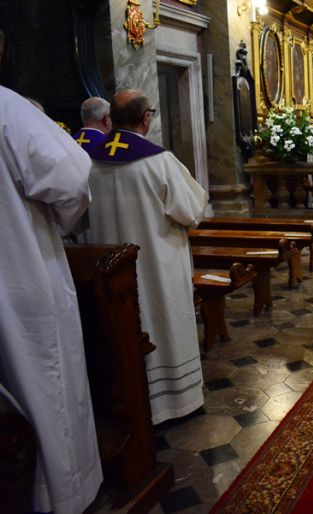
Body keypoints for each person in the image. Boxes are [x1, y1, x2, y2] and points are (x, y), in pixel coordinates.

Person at [0, 85, 102, 514]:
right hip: (19, 269)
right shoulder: (7, 106)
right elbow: (71, 176)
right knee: (43, 382)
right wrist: (61, 224)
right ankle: (60, 497)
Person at [87, 90, 208, 425]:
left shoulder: (89, 161)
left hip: (108, 274)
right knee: (163, 325)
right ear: (145, 118)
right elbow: (191, 211)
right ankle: (175, 403)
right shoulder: (159, 161)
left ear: (111, 119)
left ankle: (129, 401)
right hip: (157, 268)